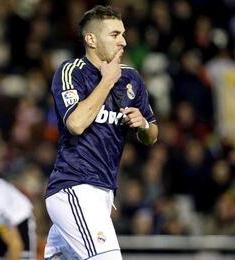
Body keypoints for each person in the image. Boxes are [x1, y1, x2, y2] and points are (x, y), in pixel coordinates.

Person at [44, 5, 158, 260]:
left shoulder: (131, 79)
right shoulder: (71, 72)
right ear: (91, 39)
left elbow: (153, 135)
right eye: (115, 35)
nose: (124, 41)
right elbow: (75, 123)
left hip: (104, 192)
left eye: (123, 34)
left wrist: (144, 125)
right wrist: (107, 80)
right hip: (74, 187)